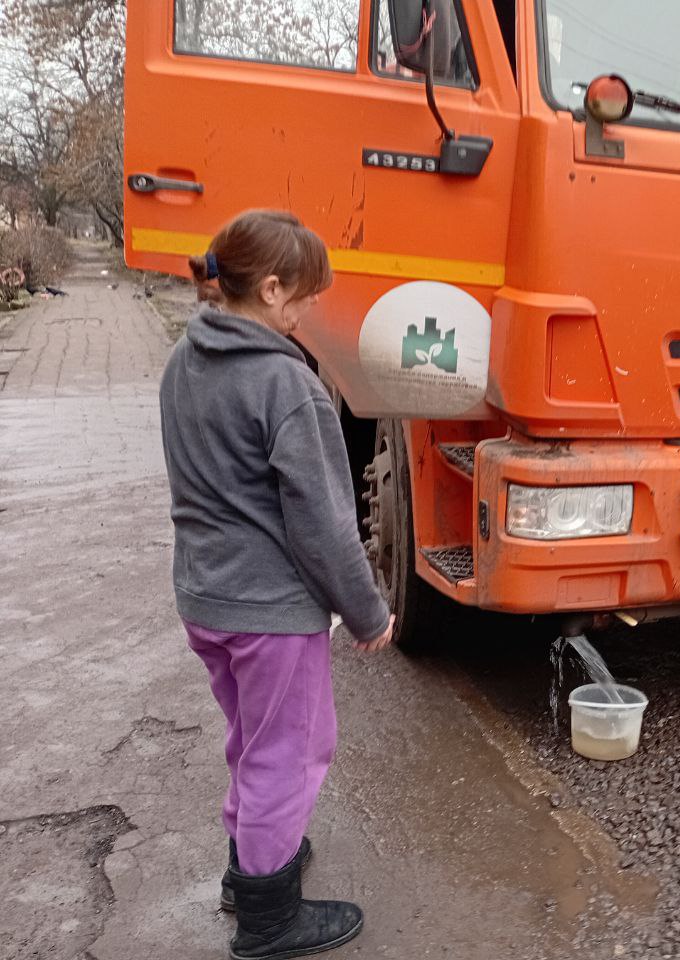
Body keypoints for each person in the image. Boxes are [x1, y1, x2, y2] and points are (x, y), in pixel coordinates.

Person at [159, 209, 395, 960]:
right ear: (268, 289)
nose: (310, 307)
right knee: (289, 754)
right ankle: (269, 920)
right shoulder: (286, 385)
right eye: (304, 293)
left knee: (253, 741)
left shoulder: (185, 359)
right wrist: (368, 614)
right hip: (268, 614)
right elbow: (324, 525)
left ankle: (250, 868)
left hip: (205, 599)